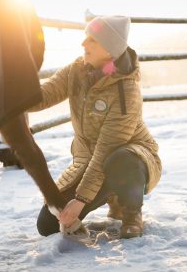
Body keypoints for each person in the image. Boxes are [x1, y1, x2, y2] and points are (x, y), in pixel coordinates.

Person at [31, 15, 162, 239]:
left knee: (120, 159)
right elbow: (42, 96)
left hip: (127, 159)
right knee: (48, 225)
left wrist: (81, 201)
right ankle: (112, 194)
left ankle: (130, 212)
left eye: (92, 39)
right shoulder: (76, 70)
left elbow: (105, 152)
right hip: (89, 162)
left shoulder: (126, 91)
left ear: (110, 50)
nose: (83, 44)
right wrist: (10, 90)